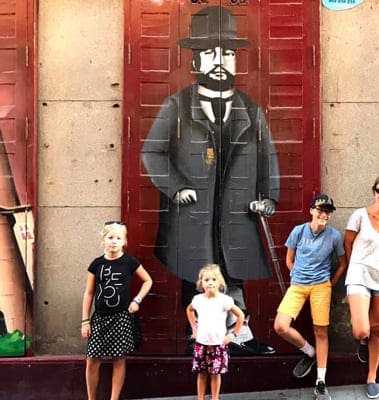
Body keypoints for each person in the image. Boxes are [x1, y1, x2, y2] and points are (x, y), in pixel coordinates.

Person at [141, 5, 279, 355]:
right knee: (198, 273)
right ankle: (196, 337)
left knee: (232, 274)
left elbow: (267, 159)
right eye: (210, 52)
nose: (220, 60)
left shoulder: (251, 110)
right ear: (194, 62)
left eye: (228, 53)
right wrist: (176, 188)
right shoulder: (176, 106)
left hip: (236, 210)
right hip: (193, 213)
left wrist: (268, 198)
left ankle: (240, 337)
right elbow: (152, 153)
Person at [273, 194, 347, 400]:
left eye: (328, 211)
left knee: (320, 330)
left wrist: (330, 284)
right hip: (297, 285)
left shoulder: (334, 236)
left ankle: (321, 382)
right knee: (280, 326)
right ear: (312, 211)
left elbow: (342, 263)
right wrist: (295, 274)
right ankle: (310, 352)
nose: (324, 214)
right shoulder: (298, 231)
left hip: (321, 286)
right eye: (321, 209)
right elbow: (289, 259)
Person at [81, 221, 153, 400]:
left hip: (121, 318)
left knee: (119, 358)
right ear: (103, 240)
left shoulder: (129, 262)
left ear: (124, 241)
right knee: (92, 359)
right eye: (110, 237)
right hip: (100, 318)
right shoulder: (96, 265)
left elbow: (148, 281)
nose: (113, 241)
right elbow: (89, 293)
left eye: (118, 238)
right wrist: (85, 321)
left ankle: (114, 398)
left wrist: (137, 300)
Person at [345, 175, 379, 399]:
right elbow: (347, 242)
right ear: (373, 192)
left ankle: (372, 377)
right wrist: (353, 266)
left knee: (378, 328)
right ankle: (362, 341)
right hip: (358, 274)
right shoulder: (359, 215)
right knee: (362, 329)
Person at [186, 264, 244, 400]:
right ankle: (200, 398)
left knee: (215, 373)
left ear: (219, 282)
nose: (210, 282)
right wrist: (194, 327)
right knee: (201, 373)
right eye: (206, 280)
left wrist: (233, 334)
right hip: (201, 343)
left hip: (218, 344)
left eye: (213, 279)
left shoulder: (224, 300)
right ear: (201, 283)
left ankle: (215, 398)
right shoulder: (198, 300)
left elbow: (240, 315)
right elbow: (189, 310)